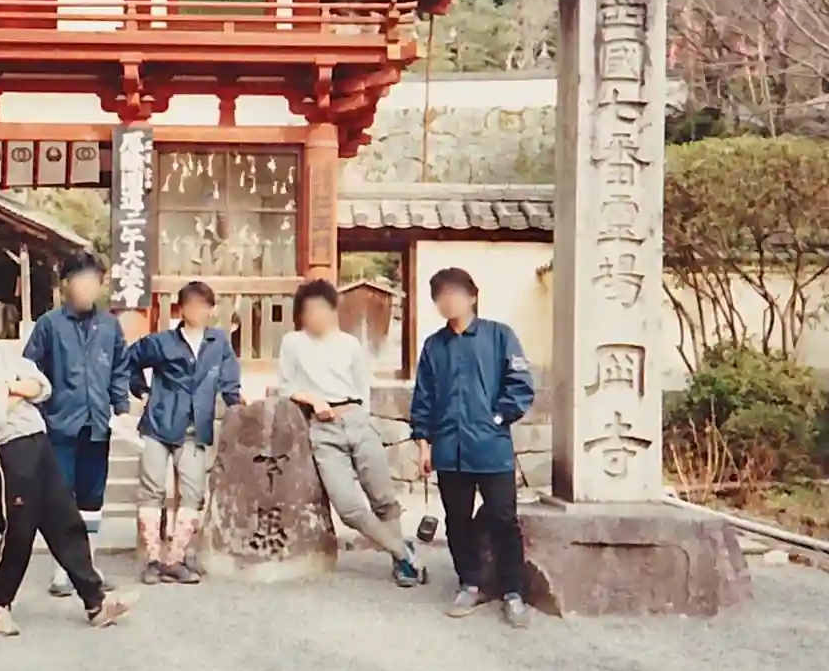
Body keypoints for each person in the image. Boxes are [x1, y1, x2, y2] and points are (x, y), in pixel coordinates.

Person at [0, 271, 135, 635]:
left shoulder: (0, 350)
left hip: (37, 438)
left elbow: (42, 386)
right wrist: (18, 389)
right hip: (5, 448)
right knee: (19, 527)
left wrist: (8, 389)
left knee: (65, 520)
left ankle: (95, 601)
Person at [277, 278, 424, 587]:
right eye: (308, 310)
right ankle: (402, 551)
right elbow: (287, 386)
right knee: (349, 507)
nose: (315, 315)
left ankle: (401, 564)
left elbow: (363, 389)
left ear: (333, 310)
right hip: (323, 429)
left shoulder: (349, 344)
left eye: (321, 308)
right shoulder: (293, 343)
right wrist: (314, 400)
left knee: (383, 498)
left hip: (357, 421)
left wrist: (362, 421)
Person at [410, 267, 535, 628]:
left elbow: (521, 385)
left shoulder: (500, 336)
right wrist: (424, 445)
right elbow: (423, 399)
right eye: (440, 296)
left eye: (454, 294)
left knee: (503, 518)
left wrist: (497, 418)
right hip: (449, 449)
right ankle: (470, 583)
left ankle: (513, 592)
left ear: (472, 296)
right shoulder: (434, 346)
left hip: (491, 448)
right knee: (457, 520)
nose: (447, 301)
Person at [24, 251, 131, 597]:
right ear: (67, 284)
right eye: (81, 281)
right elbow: (29, 369)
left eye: (94, 282)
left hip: (97, 425)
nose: (88, 288)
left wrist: (121, 406)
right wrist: (40, 407)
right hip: (60, 425)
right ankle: (63, 571)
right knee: (62, 498)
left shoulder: (110, 326)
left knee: (92, 498)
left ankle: (88, 565)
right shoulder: (49, 325)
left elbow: (120, 368)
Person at [128, 281, 244, 585]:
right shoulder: (161, 342)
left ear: (211, 309)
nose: (198, 311)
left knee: (193, 492)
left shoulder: (219, 343)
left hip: (196, 426)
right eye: (192, 305)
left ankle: (176, 559)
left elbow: (229, 380)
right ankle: (153, 559)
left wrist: (236, 404)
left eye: (204, 306)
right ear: (181, 309)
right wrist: (141, 390)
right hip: (158, 422)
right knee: (152, 489)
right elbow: (130, 359)